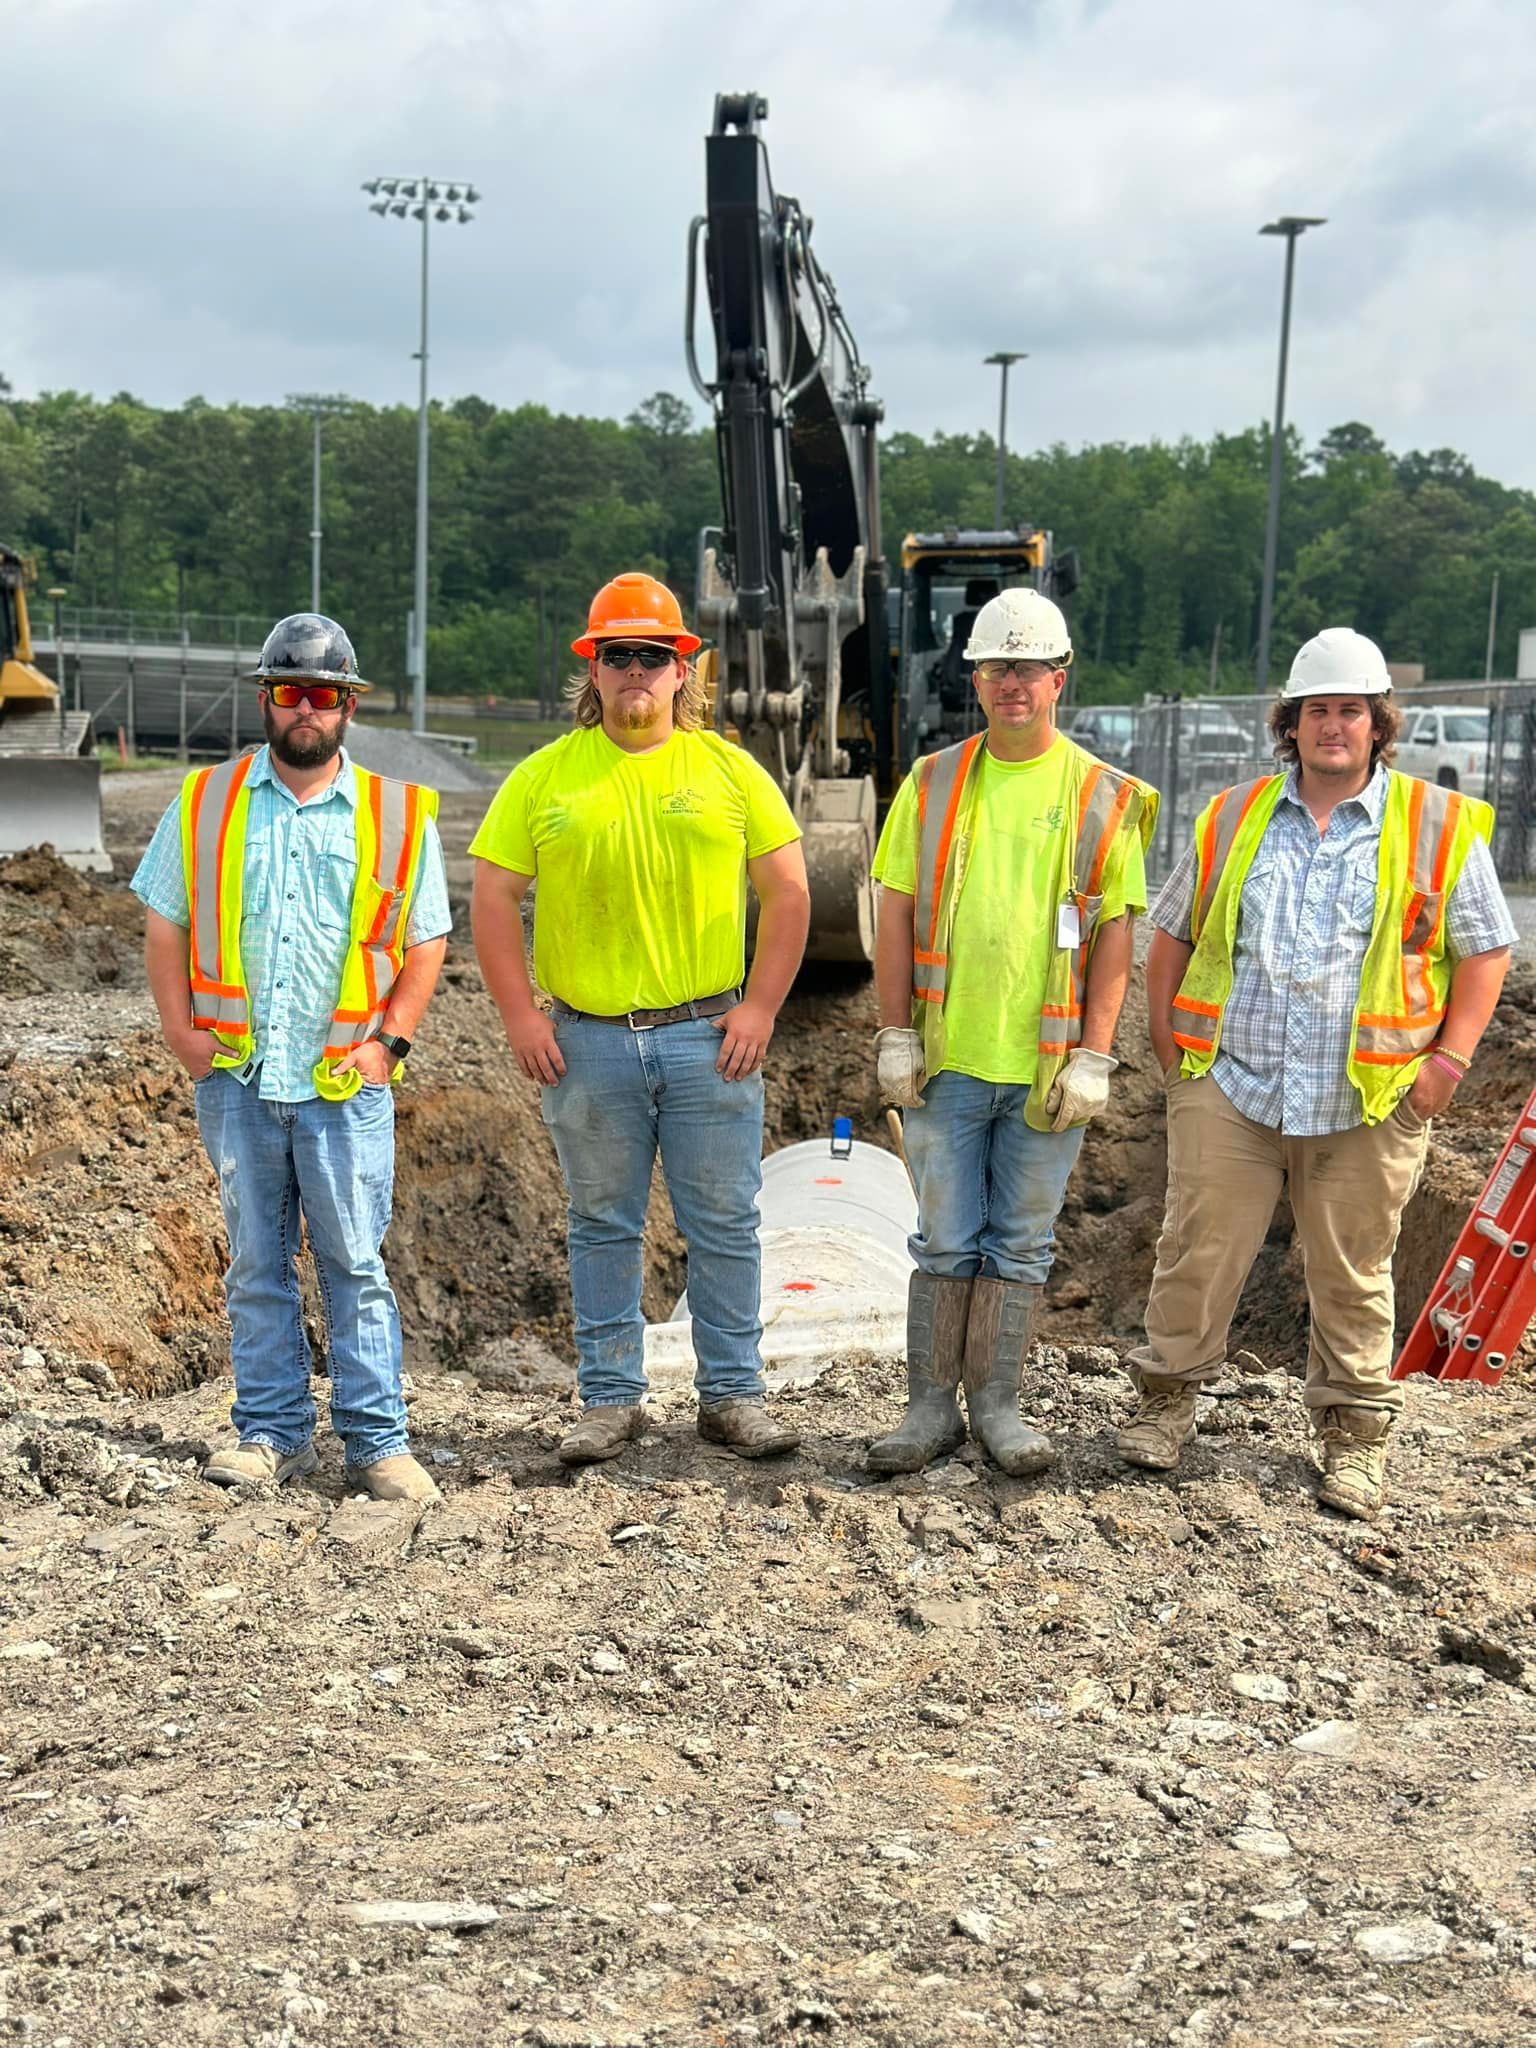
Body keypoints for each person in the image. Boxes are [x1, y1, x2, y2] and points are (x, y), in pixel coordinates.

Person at [1124, 628, 1517, 1517]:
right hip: (1235, 1083)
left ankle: (1353, 1441)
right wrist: (1173, 1057)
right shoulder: (1234, 816)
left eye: (1350, 710)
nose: (1333, 726)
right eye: (1316, 712)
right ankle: (1164, 1407)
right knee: (1197, 1251)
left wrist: (1449, 1059)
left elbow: (1486, 950)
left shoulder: (1434, 823)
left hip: (1369, 1094)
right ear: (1290, 725)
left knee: (1352, 1270)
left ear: (1379, 724)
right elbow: (1175, 932)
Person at [469, 571, 811, 1466]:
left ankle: (731, 1396)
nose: (635, 674)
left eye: (651, 658)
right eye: (618, 657)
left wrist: (762, 1008)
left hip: (710, 1039)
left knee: (724, 1222)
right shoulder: (546, 776)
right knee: (601, 1223)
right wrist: (521, 1018)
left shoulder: (731, 771)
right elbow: (494, 897)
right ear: (594, 669)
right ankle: (612, 1397)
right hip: (586, 1041)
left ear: (680, 670)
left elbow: (788, 893)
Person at [132, 613, 451, 1502]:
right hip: (237, 1079)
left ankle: (378, 1444)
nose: (304, 710)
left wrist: (390, 1045)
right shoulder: (204, 802)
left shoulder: (396, 814)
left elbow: (425, 941)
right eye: (287, 693)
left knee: (354, 1262)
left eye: (321, 695)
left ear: (346, 707)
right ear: (265, 702)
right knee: (256, 1264)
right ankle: (270, 1433)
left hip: (345, 1081)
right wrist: (180, 1034)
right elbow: (165, 923)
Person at [868, 588, 1157, 1477]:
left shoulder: (1101, 798)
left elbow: (1115, 931)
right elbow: (896, 909)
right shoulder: (935, 782)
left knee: (1020, 1245)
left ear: (1058, 679)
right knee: (944, 1239)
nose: (1012, 684)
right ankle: (928, 1409)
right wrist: (894, 1034)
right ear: (977, 679)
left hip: (1044, 1070)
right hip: (949, 1062)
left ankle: (996, 1406)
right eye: (996, 668)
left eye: (1028, 668)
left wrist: (1097, 1054)